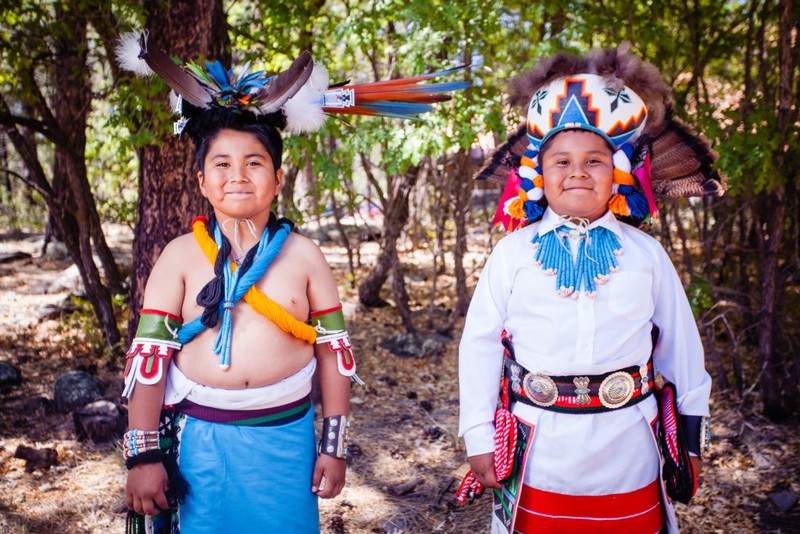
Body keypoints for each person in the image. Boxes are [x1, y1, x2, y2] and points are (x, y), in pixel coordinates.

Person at [116, 31, 468, 533]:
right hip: (199, 444)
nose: (238, 175)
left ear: (278, 179)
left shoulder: (304, 257)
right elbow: (148, 360)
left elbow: (334, 350)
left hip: (286, 444)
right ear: (200, 181)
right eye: (222, 163)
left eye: (254, 163)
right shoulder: (178, 258)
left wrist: (334, 446)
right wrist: (142, 455)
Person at [457, 45, 724, 533]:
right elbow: (478, 347)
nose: (577, 171)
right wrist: (477, 435)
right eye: (561, 161)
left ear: (619, 174)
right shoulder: (510, 255)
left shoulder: (647, 257)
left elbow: (682, 354)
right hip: (536, 446)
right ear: (538, 173)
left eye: (594, 161)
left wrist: (690, 443)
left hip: (630, 449)